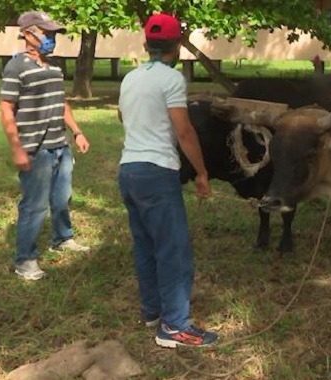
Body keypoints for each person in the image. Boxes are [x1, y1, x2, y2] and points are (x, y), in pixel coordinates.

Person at [117, 13, 218, 348]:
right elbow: (184, 131)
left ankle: (152, 312)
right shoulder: (172, 81)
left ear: (146, 45)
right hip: (157, 173)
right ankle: (174, 328)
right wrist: (202, 173)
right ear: (177, 48)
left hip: (128, 170)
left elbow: (122, 116)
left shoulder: (130, 78)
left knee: (146, 245)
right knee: (174, 250)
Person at [0, 11, 91, 281]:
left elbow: (61, 103)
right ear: (28, 33)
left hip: (59, 145)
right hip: (34, 149)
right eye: (45, 32)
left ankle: (62, 238)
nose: (51, 38)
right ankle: (24, 259)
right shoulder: (16, 67)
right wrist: (17, 148)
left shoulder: (54, 66)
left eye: (53, 33)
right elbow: (5, 109)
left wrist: (77, 132)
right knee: (35, 205)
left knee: (62, 198)